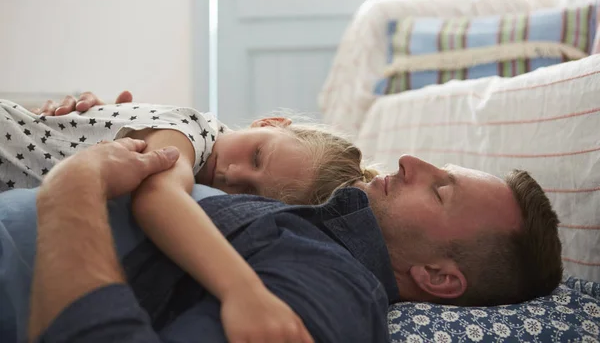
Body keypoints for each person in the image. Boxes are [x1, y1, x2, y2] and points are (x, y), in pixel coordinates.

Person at [1, 93, 563, 342]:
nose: (412, 160)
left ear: (440, 277)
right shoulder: (309, 230)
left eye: (442, 191)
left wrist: (70, 189)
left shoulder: (334, 291)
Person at [0, 92, 374, 343]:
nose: (233, 175)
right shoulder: (191, 132)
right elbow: (157, 198)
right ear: (269, 123)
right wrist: (242, 291)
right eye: (257, 156)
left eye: (252, 194)